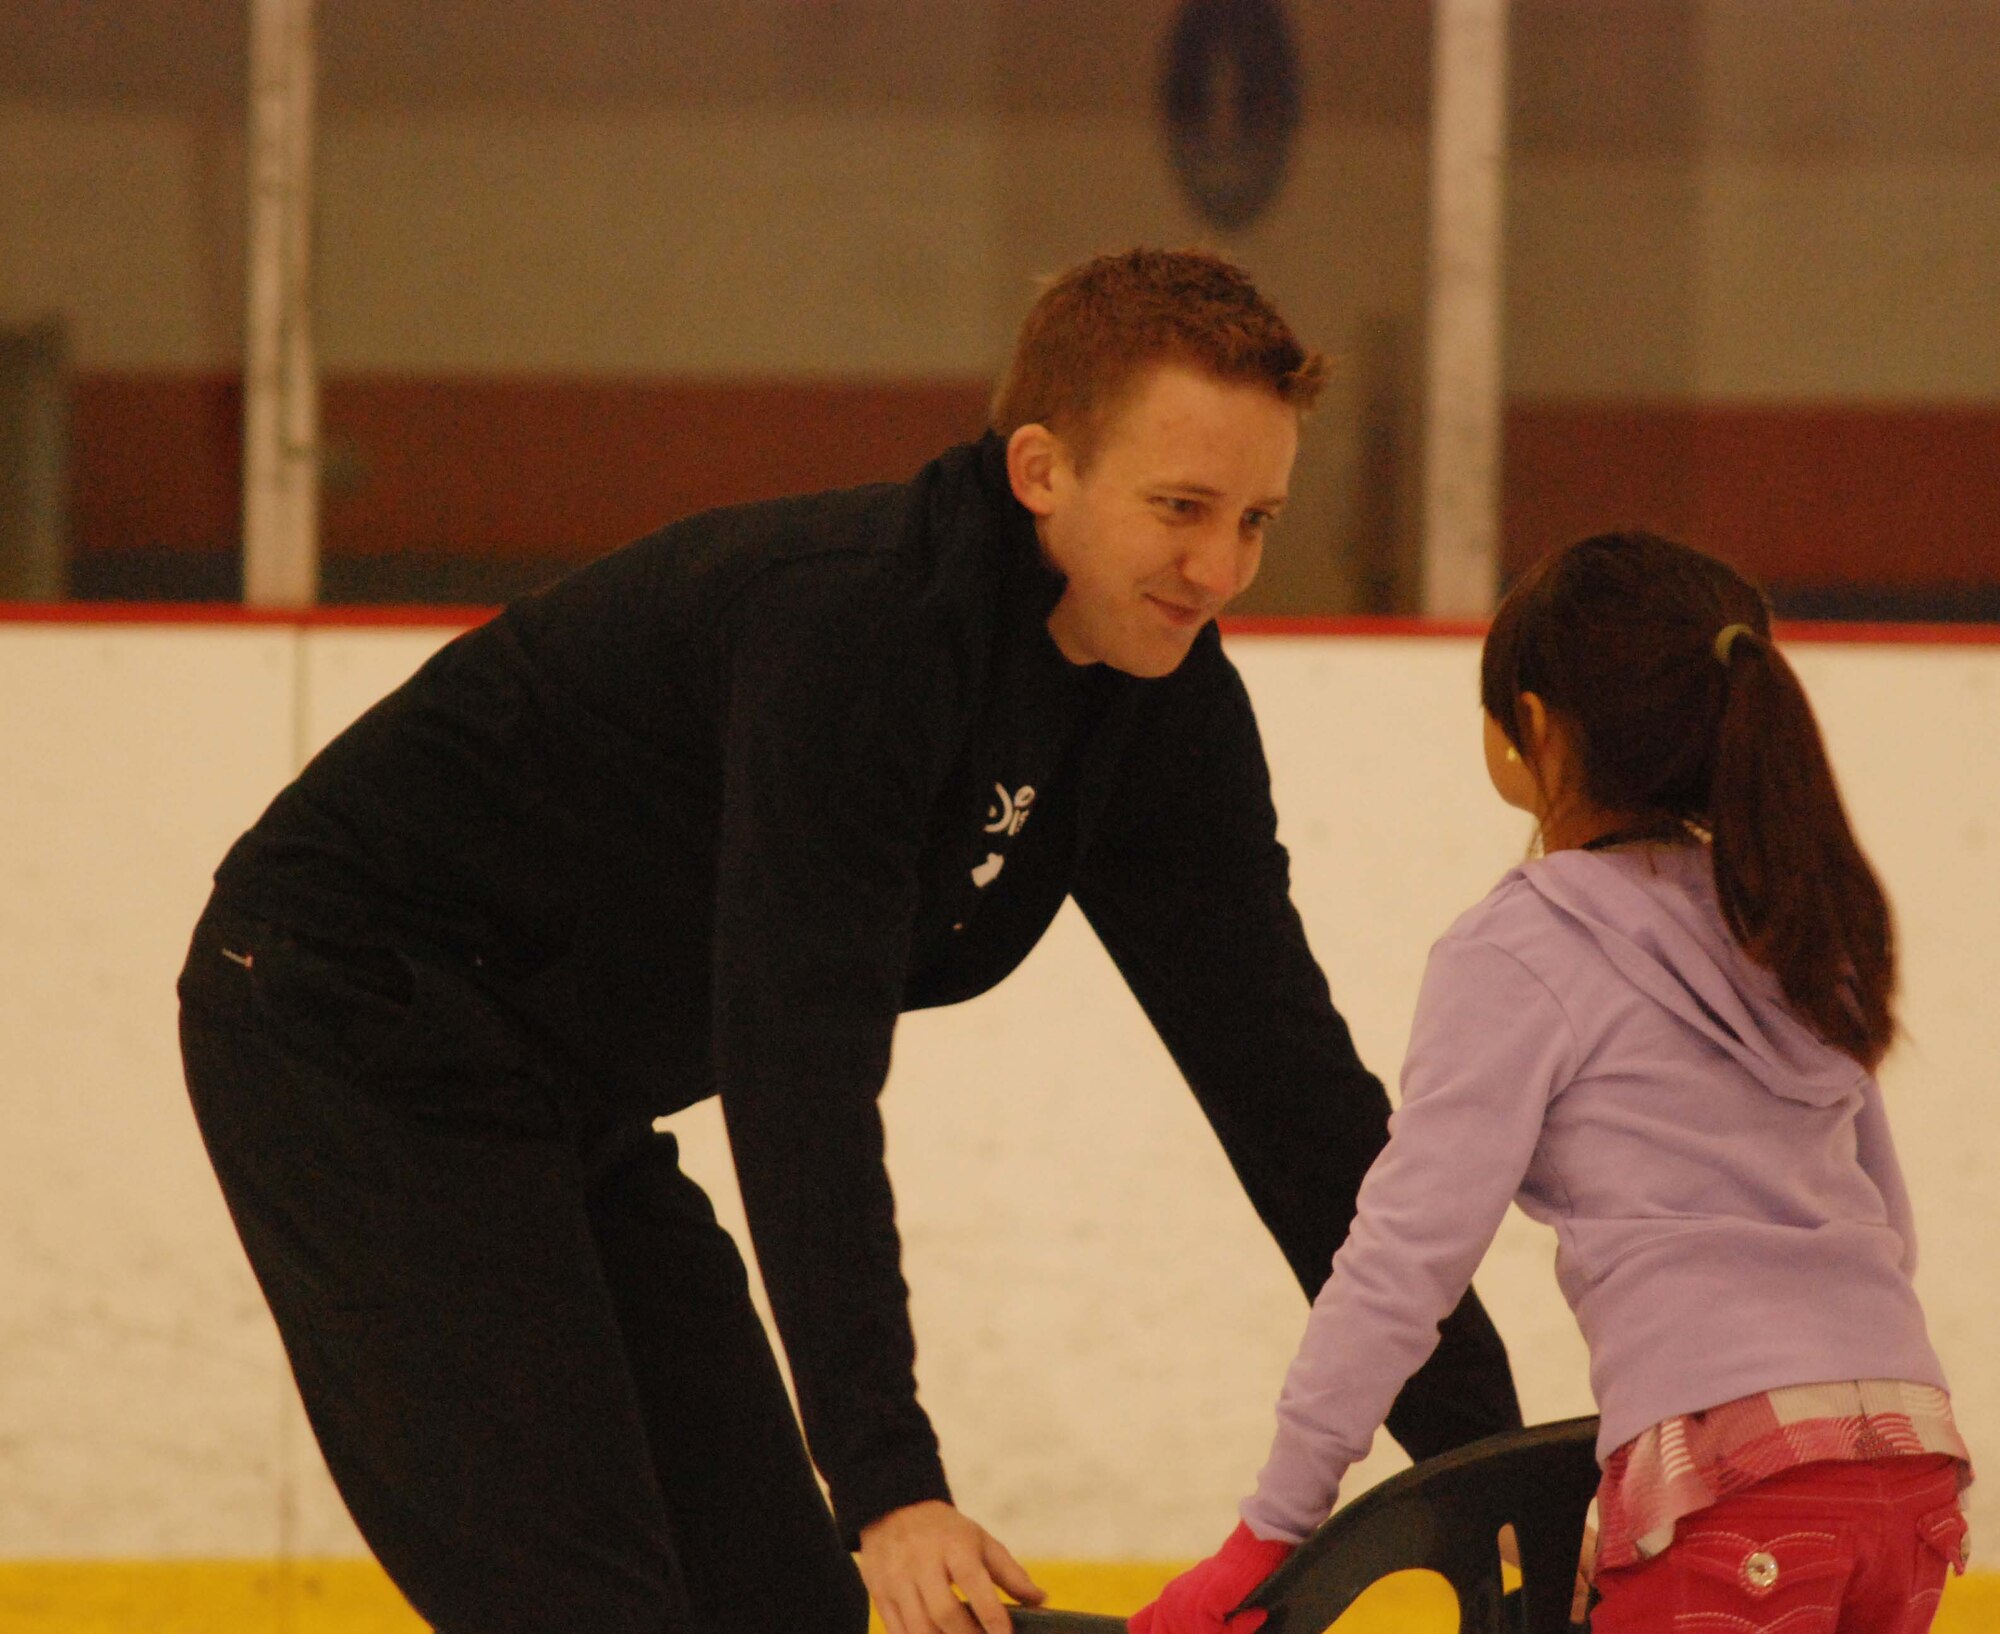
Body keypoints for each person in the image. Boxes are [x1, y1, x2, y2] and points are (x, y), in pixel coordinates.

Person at [175, 248, 1522, 1634]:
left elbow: (1294, 1100)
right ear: (1042, 468)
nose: (1219, 567)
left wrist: (1492, 1470)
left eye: (1255, 519)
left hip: (559, 1088)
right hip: (340, 1012)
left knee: (782, 1606)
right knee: (585, 1603)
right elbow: (798, 1065)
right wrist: (888, 1481)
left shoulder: (1158, 708)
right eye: (1182, 507)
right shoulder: (858, 631)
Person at [1134, 531, 1973, 1634]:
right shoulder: (1786, 914)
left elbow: (1401, 1258)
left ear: (1529, 729)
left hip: (1731, 1480)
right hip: (1906, 1456)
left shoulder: (1523, 943)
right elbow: (1884, 1226)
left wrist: (1272, 1527)